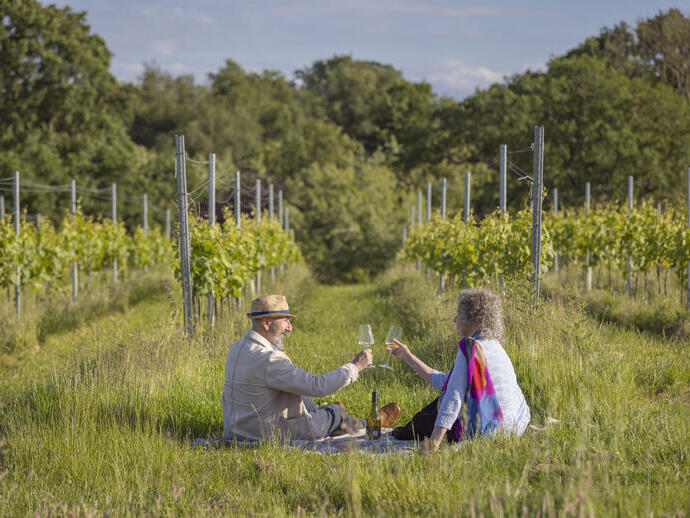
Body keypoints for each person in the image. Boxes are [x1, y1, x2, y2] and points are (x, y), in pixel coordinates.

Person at [222, 294, 400, 442]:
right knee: (336, 413)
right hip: (268, 435)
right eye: (285, 321)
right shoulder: (270, 359)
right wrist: (355, 367)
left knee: (302, 395)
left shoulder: (236, 348)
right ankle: (372, 423)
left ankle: (329, 415)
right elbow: (317, 386)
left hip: (237, 430)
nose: (289, 328)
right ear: (267, 323)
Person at [387, 288, 530, 451]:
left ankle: (395, 431)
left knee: (432, 411)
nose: (455, 320)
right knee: (441, 401)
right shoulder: (494, 347)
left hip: (487, 430)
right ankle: (394, 427)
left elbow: (453, 397)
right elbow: (444, 382)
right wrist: (408, 356)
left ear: (473, 319)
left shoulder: (469, 347)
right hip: (513, 428)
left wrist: (433, 444)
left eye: (459, 315)